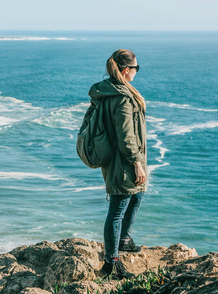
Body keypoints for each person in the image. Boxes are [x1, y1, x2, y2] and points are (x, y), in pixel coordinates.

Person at [88, 49, 147, 279]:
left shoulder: (111, 90)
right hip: (123, 160)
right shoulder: (122, 97)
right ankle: (111, 264)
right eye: (136, 68)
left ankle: (123, 239)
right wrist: (135, 162)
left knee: (137, 194)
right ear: (126, 70)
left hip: (119, 157)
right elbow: (126, 135)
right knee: (117, 208)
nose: (136, 72)